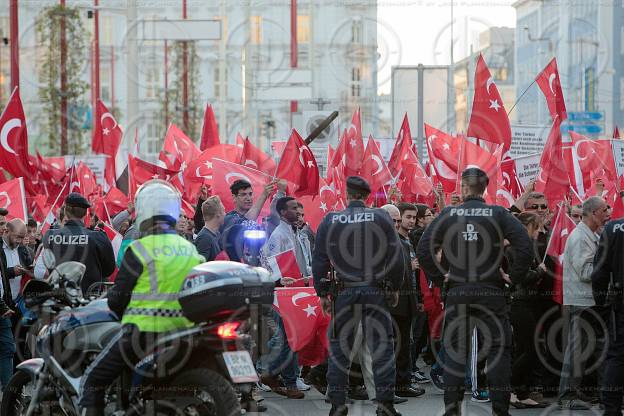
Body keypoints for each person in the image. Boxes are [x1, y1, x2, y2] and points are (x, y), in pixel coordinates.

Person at [79, 180, 205, 416]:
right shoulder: (190, 249)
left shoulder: (139, 248)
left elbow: (118, 299)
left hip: (144, 333)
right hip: (185, 332)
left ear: (143, 211)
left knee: (93, 380)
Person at [416, 168, 533, 416]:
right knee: (498, 350)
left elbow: (424, 249)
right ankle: (500, 410)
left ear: (464, 187)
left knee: (457, 352)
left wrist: (441, 278)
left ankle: (452, 410)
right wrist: (513, 278)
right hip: (492, 290)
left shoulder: (449, 214)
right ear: (484, 188)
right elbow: (525, 246)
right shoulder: (498, 213)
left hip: (459, 291)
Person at [313, 176, 405, 416]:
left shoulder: (331, 219)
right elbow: (396, 256)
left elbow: (320, 259)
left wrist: (322, 292)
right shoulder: (381, 217)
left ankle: (338, 404)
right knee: (382, 349)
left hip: (344, 291)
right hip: (374, 290)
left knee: (340, 349)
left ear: (346, 194)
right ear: (367, 196)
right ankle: (385, 405)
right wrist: (395, 287)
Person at [558, 196, 610, 410]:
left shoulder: (592, 234)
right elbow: (586, 271)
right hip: (582, 301)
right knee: (577, 351)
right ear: (594, 213)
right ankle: (567, 395)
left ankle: (599, 393)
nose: (608, 214)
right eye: (605, 210)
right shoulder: (580, 237)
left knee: (596, 349)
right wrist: (609, 264)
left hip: (591, 301)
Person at [260, 196, 312, 399]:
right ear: (282, 213)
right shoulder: (278, 235)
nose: (297, 212)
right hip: (285, 294)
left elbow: (303, 259)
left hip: (298, 290)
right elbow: (270, 262)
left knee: (289, 337)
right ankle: (281, 377)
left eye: (299, 210)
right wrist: (280, 281)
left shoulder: (296, 232)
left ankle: (273, 373)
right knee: (289, 337)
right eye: (293, 209)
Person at [506, 212, 548, 409]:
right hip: (520, 303)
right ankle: (511, 389)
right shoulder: (515, 249)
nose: (539, 231)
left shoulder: (524, 248)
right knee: (531, 349)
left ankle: (521, 392)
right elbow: (520, 277)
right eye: (536, 227)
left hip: (529, 303)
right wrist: (540, 270)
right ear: (527, 226)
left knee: (525, 349)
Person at [383, 203, 425, 398]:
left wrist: (417, 299)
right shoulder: (385, 242)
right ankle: (397, 384)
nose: (404, 222)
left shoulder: (405, 242)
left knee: (405, 345)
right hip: (393, 303)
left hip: (408, 301)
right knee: (395, 346)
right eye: (400, 219)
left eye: (407, 218)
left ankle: (403, 382)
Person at [43, 193, 116, 296]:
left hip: (59, 299)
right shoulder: (99, 237)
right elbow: (108, 270)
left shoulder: (49, 235)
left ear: (65, 211)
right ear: (86, 213)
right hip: (89, 300)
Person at [591, 210, 624, 416]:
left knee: (619, 354)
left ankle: (611, 408)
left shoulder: (613, 228)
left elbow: (600, 269)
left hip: (620, 297)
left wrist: (600, 299)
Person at [221, 179, 277, 262]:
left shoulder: (256, 223)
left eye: (250, 194)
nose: (248, 198)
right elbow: (246, 222)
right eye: (243, 195)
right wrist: (264, 195)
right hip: (235, 270)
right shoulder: (229, 218)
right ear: (234, 197)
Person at [1, 219, 33, 303]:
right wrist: (12, 272)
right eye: (18, 237)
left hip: (17, 300)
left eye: (22, 237)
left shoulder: (21, 248)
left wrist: (26, 270)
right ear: (7, 231)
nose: (20, 241)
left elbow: (29, 266)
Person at [194, 196, 225, 262]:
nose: (225, 214)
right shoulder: (205, 238)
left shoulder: (216, 234)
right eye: (224, 211)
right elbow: (201, 267)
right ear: (218, 214)